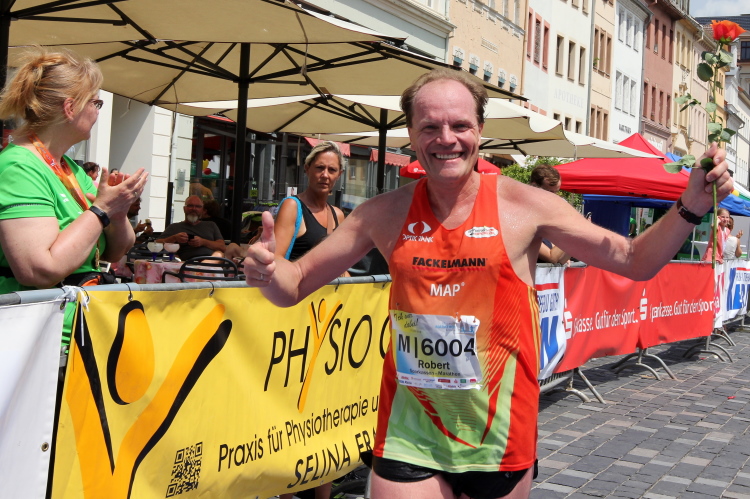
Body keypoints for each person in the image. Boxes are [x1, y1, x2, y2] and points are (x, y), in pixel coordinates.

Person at [243, 68, 732, 499]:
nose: (446, 139)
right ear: (411, 135)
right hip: (410, 429)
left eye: (460, 125)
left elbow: (633, 260)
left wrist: (690, 207)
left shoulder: (526, 206)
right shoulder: (382, 213)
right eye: (430, 127)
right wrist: (268, 270)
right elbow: (295, 283)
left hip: (498, 433)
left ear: (479, 130)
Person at [0, 48, 148, 343]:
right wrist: (102, 210)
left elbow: (116, 251)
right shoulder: (19, 165)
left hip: (76, 332)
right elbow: (39, 270)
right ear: (70, 108)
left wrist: (117, 212)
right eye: (96, 103)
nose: (97, 112)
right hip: (35, 341)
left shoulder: (70, 169)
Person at [275, 140, 347, 499]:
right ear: (306, 170)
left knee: (325, 413)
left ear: (339, 175)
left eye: (332, 170)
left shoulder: (339, 215)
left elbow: (343, 267)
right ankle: (285, 491)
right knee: (292, 413)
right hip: (295, 326)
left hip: (330, 328)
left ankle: (322, 493)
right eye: (319, 168)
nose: (325, 175)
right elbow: (277, 260)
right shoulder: (293, 207)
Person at [156, 195, 225, 260]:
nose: (194, 209)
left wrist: (203, 242)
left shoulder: (211, 225)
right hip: (187, 262)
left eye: (198, 206)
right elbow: (156, 244)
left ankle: (205, 264)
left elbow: (222, 247)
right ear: (184, 209)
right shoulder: (174, 227)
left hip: (211, 260)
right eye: (190, 206)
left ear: (202, 210)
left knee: (219, 254)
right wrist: (174, 238)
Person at [528, 165, 571, 265]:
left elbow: (560, 259)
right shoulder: (524, 214)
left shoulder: (543, 215)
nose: (554, 197)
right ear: (534, 186)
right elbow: (551, 257)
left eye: (556, 192)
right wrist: (574, 230)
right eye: (549, 192)